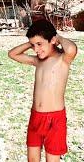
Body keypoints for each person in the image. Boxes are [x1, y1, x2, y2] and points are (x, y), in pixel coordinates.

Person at [8, 20, 77, 162]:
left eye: (39, 44)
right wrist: (33, 41)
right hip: (36, 117)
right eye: (33, 46)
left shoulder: (62, 59)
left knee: (52, 159)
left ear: (53, 40)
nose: (36, 49)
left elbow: (71, 49)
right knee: (32, 159)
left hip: (55, 119)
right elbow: (12, 54)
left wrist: (58, 37)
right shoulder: (37, 60)